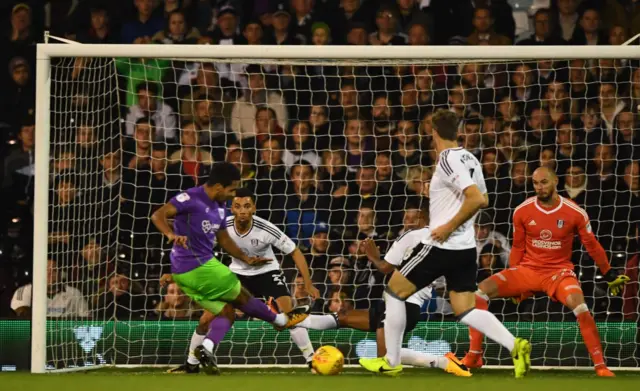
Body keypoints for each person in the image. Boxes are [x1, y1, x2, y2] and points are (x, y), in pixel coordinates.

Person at [359, 109, 530, 377]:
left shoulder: (447, 159)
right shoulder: (470, 157)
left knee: (393, 291)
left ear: (433, 132)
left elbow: (475, 199)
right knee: (465, 308)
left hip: (442, 245)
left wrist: (447, 227)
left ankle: (390, 362)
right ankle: (514, 345)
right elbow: (482, 199)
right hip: (465, 248)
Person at [461, 167, 629, 377]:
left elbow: (591, 245)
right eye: (535, 183)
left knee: (581, 307)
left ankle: (600, 365)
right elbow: (518, 248)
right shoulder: (522, 210)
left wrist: (608, 272)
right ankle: (475, 355)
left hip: (558, 273)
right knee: (478, 294)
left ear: (556, 181)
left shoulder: (575, 212)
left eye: (544, 182)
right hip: (527, 270)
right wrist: (515, 281)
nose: (540, 187)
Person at [150, 162, 310, 375]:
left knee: (226, 312)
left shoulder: (220, 209)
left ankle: (197, 358)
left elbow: (224, 240)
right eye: (232, 189)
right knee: (242, 298)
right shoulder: (190, 198)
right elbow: (157, 215)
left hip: (188, 273)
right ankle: (282, 320)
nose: (233, 194)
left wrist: (246, 258)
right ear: (218, 187)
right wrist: (170, 234)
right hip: (201, 266)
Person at [295, 205, 470, 377]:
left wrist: (373, 256)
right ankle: (295, 320)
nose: (406, 221)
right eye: (405, 217)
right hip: (397, 305)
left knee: (386, 358)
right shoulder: (442, 242)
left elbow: (385, 267)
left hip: (404, 304)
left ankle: (444, 362)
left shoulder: (412, 235)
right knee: (344, 316)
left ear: (424, 219)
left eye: (412, 217)